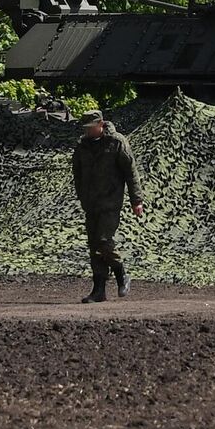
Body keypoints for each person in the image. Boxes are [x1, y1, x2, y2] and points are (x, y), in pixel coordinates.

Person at [72, 110, 145, 303]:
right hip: (91, 203)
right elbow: (77, 173)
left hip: (111, 202)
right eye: (85, 129)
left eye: (91, 128)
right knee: (94, 247)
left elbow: (131, 172)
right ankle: (99, 290)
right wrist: (82, 197)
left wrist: (136, 200)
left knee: (104, 241)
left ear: (101, 124)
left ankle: (122, 274)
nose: (88, 132)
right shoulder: (82, 146)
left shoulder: (116, 142)